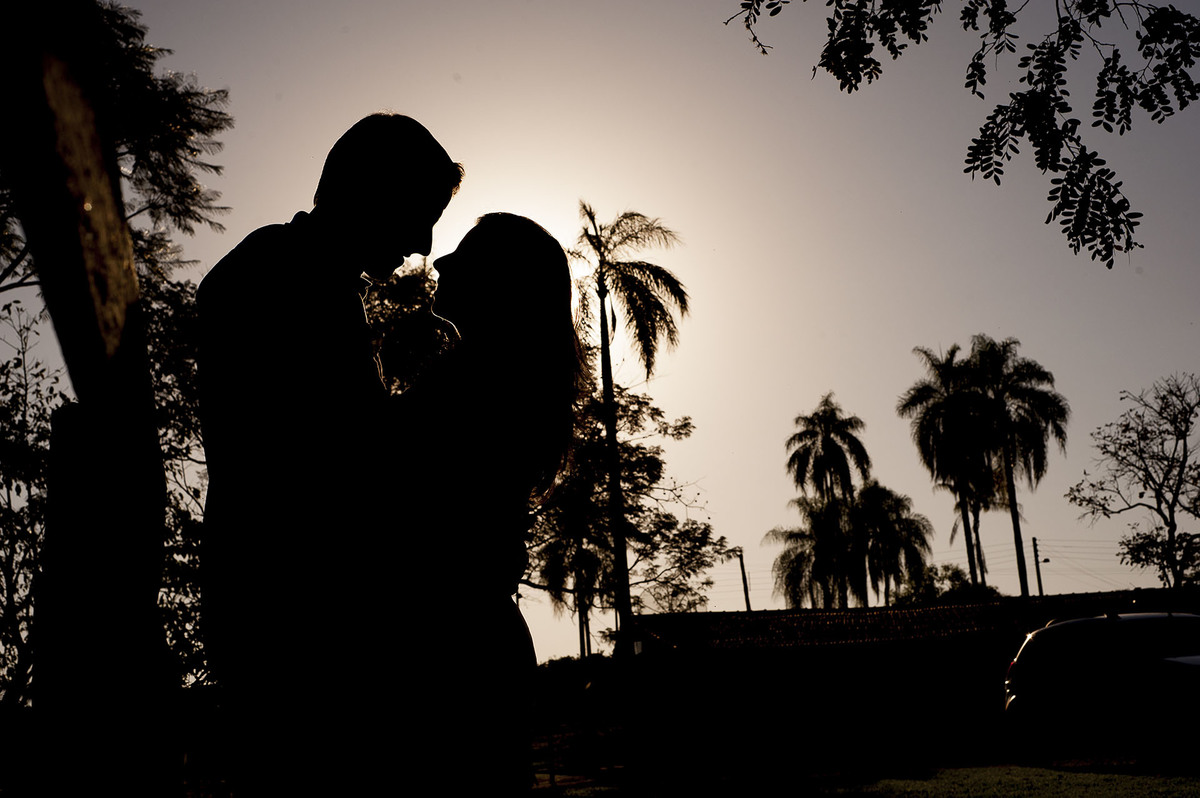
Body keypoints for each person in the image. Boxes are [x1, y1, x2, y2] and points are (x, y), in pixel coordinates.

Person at [197, 113, 463, 794]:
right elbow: (345, 461)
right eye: (419, 216)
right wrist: (443, 392)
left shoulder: (296, 275)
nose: (423, 244)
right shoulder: (290, 281)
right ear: (372, 193)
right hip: (294, 623)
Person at [395, 213, 586, 792]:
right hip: (470, 644)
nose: (441, 262)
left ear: (500, 284)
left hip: (455, 652)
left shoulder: (477, 387)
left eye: (464, 256)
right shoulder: (496, 382)